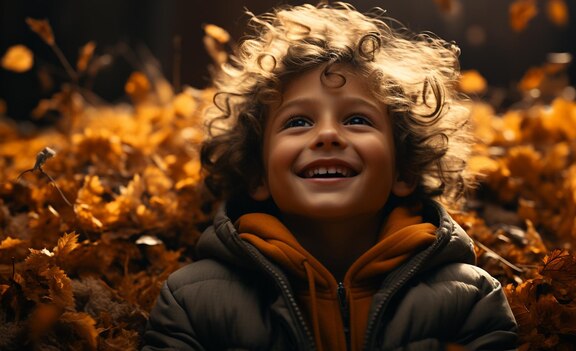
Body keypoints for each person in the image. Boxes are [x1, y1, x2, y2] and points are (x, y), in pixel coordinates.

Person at [142, 2, 518, 350]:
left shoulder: (467, 298)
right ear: (257, 174)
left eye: (356, 119)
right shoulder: (193, 300)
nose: (327, 135)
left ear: (403, 169)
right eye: (298, 121)